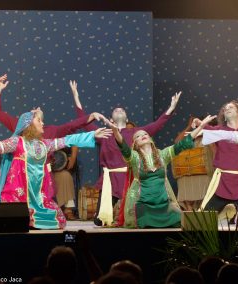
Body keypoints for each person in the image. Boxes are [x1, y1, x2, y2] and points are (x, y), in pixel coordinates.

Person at [0, 109, 112, 229]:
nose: (43, 123)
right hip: (18, 196)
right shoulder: (17, 142)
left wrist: (91, 135)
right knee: (15, 217)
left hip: (38, 198)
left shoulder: (44, 144)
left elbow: (66, 140)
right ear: (29, 124)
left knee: (58, 218)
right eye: (39, 120)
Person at [70, 80, 181, 226]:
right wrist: (76, 97)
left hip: (131, 178)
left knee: (135, 216)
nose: (119, 110)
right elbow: (84, 122)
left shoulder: (137, 133)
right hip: (110, 180)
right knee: (99, 221)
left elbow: (157, 125)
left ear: (127, 119)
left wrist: (171, 108)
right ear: (110, 119)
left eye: (122, 110)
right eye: (116, 110)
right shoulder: (104, 133)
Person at [108, 115, 212, 228]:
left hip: (163, 204)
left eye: (145, 134)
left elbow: (182, 144)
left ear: (150, 139)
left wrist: (201, 126)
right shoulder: (134, 157)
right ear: (135, 144)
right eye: (138, 136)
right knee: (145, 222)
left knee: (179, 220)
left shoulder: (163, 154)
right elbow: (123, 147)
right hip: (143, 205)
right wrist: (115, 131)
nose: (142, 136)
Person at [192, 101, 238, 221]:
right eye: (225, 109)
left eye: (231, 107)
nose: (226, 109)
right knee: (203, 219)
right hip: (222, 184)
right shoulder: (218, 131)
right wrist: (199, 123)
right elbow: (201, 129)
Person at [173, 116, 217, 211]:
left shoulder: (213, 135)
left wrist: (207, 133)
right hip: (186, 172)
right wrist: (189, 126)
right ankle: (190, 216)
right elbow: (177, 142)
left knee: (204, 198)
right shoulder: (192, 135)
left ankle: (201, 217)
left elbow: (215, 152)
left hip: (204, 171)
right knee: (188, 199)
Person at [52, 146, 79, 220]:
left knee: (65, 176)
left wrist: (73, 157)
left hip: (58, 166)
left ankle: (68, 210)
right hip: (40, 169)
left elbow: (74, 141)